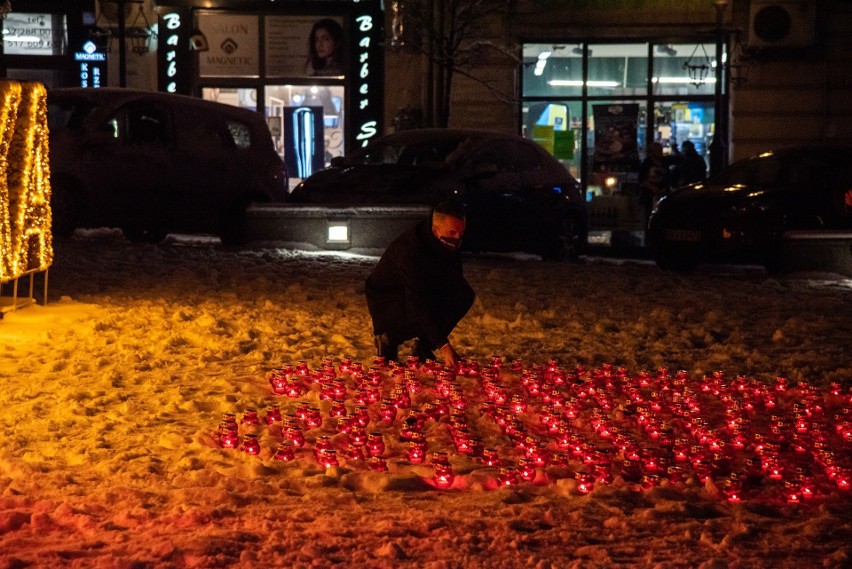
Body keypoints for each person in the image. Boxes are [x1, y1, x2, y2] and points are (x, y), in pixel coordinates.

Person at [365, 201, 474, 370]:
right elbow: (417, 300)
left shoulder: (449, 241)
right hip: (388, 299)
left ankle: (423, 347)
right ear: (435, 230)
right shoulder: (410, 250)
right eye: (452, 232)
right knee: (426, 307)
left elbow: (456, 283)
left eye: (461, 232)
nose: (458, 238)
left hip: (422, 289)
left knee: (464, 295)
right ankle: (389, 337)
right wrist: (443, 345)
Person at [638, 142, 673, 221]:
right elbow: (641, 179)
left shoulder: (665, 161)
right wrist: (653, 188)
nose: (660, 152)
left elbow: (679, 159)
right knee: (649, 217)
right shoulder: (647, 163)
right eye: (658, 150)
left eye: (661, 150)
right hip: (649, 194)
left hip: (663, 193)